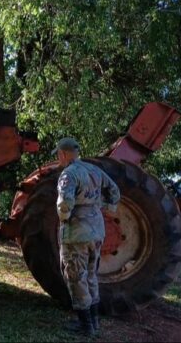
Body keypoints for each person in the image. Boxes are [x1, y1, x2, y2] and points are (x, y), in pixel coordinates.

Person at [54, 137, 120, 336]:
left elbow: (65, 204)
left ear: (63, 154)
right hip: (97, 229)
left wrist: (64, 219)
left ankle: (85, 327)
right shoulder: (94, 170)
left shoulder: (69, 174)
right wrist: (107, 208)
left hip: (77, 232)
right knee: (91, 274)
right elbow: (114, 191)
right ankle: (94, 321)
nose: (58, 159)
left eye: (58, 155)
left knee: (75, 276)